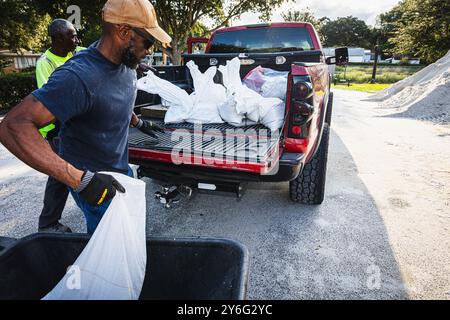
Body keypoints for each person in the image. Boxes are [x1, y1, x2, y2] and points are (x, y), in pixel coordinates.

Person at [0, 0, 170, 234]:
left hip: (122, 172)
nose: (150, 50)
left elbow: (111, 100)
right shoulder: (79, 77)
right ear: (123, 31)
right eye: (148, 41)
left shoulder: (126, 63)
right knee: (111, 255)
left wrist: (139, 122)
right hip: (96, 183)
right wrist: (79, 180)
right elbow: (13, 126)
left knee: (127, 242)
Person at [36, 19, 85, 233]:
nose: (77, 39)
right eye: (72, 36)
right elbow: (52, 100)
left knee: (76, 170)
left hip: (77, 124)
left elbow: (101, 53)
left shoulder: (78, 52)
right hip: (57, 129)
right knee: (59, 175)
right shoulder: (45, 62)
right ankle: (48, 224)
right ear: (58, 39)